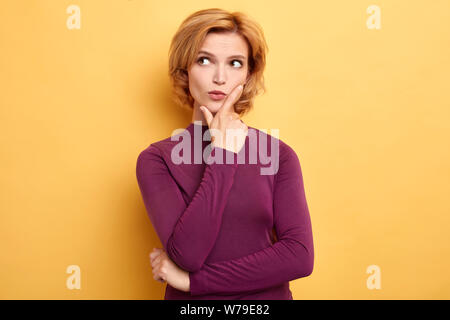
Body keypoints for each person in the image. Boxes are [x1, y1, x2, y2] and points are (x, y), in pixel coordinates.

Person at [136, 8, 314, 300]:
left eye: (234, 63)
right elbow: (188, 255)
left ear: (249, 73)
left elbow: (299, 257)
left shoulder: (278, 156)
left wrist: (194, 283)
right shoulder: (157, 160)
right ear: (185, 69)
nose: (220, 77)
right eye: (204, 60)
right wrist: (223, 155)